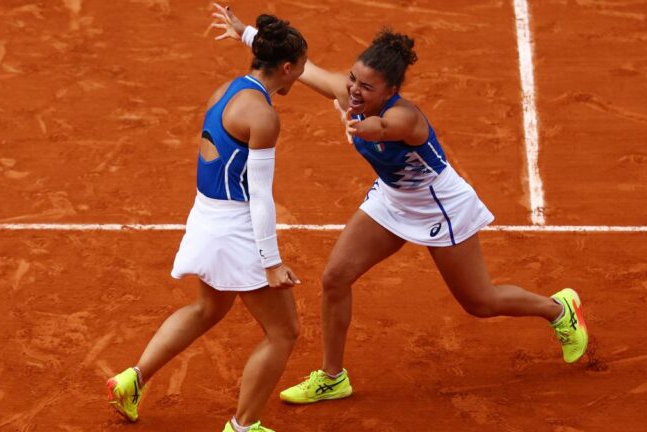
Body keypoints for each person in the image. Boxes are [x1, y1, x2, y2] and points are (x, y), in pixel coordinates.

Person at [213, 4, 588, 406]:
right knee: (335, 278)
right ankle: (332, 376)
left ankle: (557, 309)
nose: (355, 90)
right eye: (353, 79)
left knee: (479, 301)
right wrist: (248, 35)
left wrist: (352, 119)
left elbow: (376, 128)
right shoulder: (354, 95)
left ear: (390, 92)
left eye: (366, 87)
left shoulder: (404, 118)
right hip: (393, 198)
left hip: (439, 206)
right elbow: (307, 70)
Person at [106, 14, 308, 432]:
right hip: (235, 229)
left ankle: (132, 379)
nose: (303, 73)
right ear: (287, 68)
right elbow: (261, 197)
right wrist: (270, 261)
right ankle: (243, 425)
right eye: (302, 66)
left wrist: (246, 35)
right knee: (283, 333)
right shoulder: (264, 117)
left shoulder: (228, 89)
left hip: (206, 217)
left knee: (207, 308)